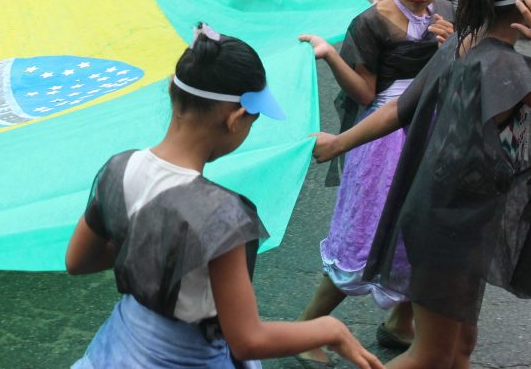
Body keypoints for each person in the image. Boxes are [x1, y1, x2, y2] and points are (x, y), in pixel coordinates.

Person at [313, 0, 531, 369]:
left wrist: (339, 143)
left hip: (441, 214)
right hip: (452, 227)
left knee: (460, 347)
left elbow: (397, 109)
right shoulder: (509, 70)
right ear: (527, 5)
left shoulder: (460, 45)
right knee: (432, 355)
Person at [66, 24, 385, 369]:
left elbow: (77, 261)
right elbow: (247, 340)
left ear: (175, 92)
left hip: (119, 349)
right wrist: (328, 329)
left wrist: (148, 251)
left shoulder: (118, 168)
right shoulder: (222, 216)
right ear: (235, 119)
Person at [293, 0, 453, 365]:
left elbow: (462, 72)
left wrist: (455, 46)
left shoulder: (448, 16)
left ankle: (400, 322)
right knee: (365, 233)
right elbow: (364, 94)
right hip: (384, 139)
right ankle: (308, 330)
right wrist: (329, 55)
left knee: (419, 235)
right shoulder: (371, 21)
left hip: (433, 132)